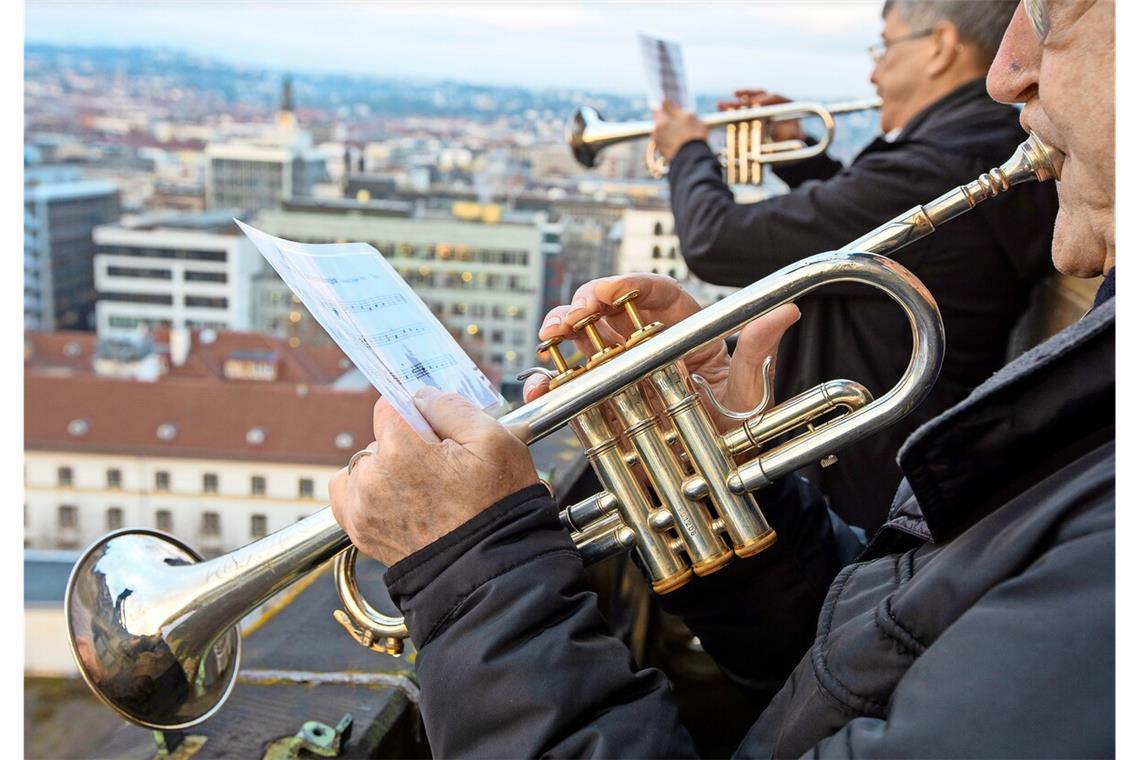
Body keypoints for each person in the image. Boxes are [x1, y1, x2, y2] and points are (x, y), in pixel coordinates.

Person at [330, 0, 1115, 755]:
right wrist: (733, 498)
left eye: (1056, 10)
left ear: (939, 45)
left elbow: (716, 238)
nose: (1009, 72)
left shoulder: (954, 152)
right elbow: (885, 658)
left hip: (863, 474)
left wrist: (474, 578)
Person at [650, 0, 1060, 530]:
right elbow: (870, 230)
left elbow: (715, 240)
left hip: (858, 484)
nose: (873, 71)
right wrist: (803, 156)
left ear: (939, 47)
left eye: (885, 47)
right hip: (876, 462)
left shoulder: (941, 166)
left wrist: (687, 152)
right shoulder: (960, 150)